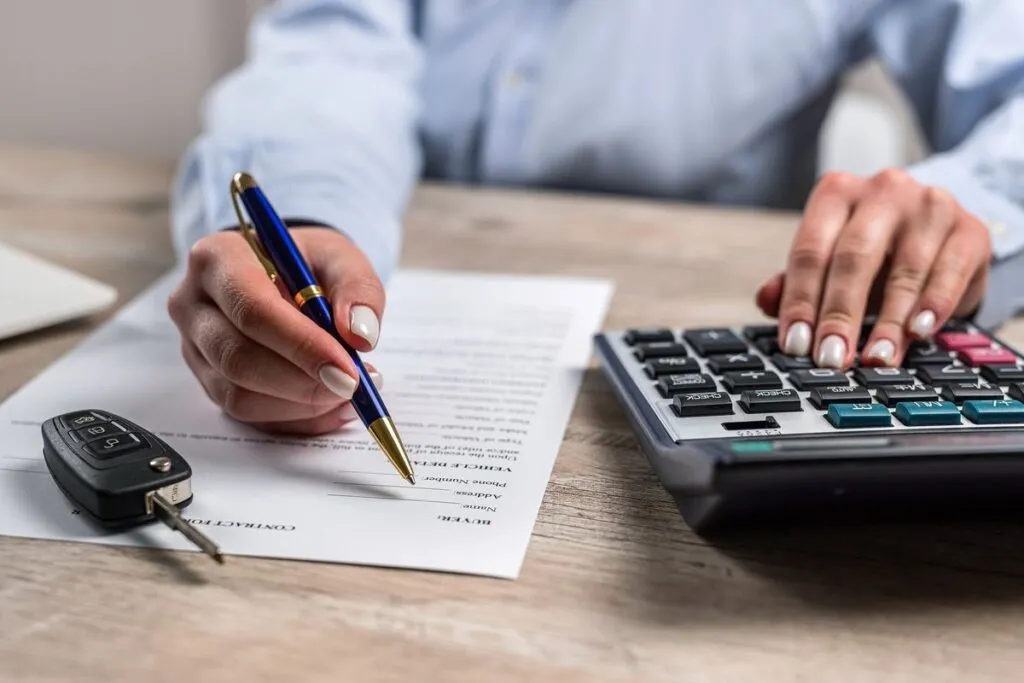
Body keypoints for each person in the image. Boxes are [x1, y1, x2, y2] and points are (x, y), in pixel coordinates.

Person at [167, 1, 1024, 434]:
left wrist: (973, 203)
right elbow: (332, 48)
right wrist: (308, 217)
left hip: (714, 351)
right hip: (410, 291)